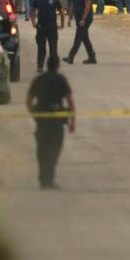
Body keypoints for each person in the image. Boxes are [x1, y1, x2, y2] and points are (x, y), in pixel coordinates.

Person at [26, 55, 76, 190]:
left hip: (42, 120)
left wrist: (34, 115)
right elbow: (70, 101)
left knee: (41, 149)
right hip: (56, 120)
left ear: (47, 65)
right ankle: (49, 179)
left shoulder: (39, 79)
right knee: (54, 150)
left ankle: (43, 178)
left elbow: (29, 100)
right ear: (58, 65)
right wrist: (72, 122)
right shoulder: (61, 79)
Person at [31, 0, 65, 72]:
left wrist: (62, 23)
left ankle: (53, 67)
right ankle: (40, 66)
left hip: (52, 27)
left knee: (53, 48)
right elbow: (32, 10)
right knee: (41, 48)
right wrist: (33, 22)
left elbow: (61, 11)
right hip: (41, 27)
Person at [63, 0, 96, 64]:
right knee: (84, 37)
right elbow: (72, 5)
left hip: (85, 18)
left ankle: (71, 56)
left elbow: (87, 6)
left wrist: (83, 18)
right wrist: (69, 18)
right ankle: (92, 57)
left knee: (78, 37)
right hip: (78, 18)